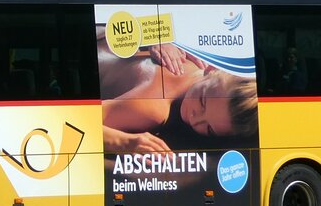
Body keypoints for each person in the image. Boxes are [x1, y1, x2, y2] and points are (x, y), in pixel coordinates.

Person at [100, 38, 258, 155]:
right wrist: (122, 142)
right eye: (202, 102)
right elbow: (80, 123)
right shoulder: (154, 109)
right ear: (212, 68)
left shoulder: (191, 52)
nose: (194, 118)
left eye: (209, 129)